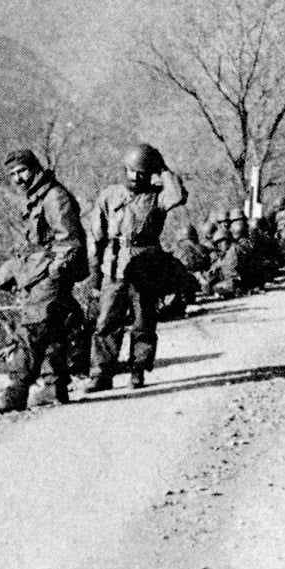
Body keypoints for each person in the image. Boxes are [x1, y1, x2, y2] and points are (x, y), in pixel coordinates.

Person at [0, 148, 89, 413]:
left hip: (50, 275)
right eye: (13, 174)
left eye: (22, 171)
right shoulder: (37, 197)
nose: (18, 178)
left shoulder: (55, 197)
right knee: (52, 330)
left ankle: (16, 393)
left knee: (31, 330)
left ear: (35, 168)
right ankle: (54, 388)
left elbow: (69, 241)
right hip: (40, 273)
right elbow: (37, 243)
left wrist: (53, 274)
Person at [86, 143, 187, 391]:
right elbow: (97, 237)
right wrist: (95, 273)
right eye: (132, 171)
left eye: (142, 172)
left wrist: (162, 167)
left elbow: (178, 196)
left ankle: (138, 369)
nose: (135, 177)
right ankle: (101, 374)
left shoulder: (157, 196)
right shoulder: (109, 195)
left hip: (146, 265)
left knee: (144, 321)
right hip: (114, 266)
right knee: (107, 322)